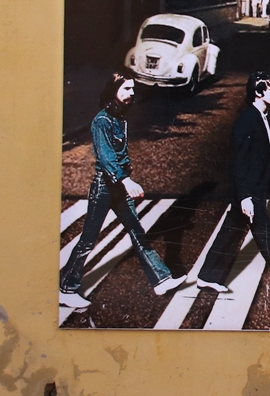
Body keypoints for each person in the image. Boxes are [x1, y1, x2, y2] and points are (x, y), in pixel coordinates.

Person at [60, 73, 187, 309]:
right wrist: (126, 181)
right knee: (89, 239)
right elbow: (107, 159)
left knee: (137, 232)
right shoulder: (102, 121)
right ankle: (66, 288)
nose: (132, 94)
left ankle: (161, 280)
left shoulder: (120, 119)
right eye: (127, 89)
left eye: (133, 89)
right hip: (105, 187)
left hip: (118, 186)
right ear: (113, 90)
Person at [194, 72, 270, 298]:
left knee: (230, 232)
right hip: (248, 190)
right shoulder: (247, 121)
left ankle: (207, 276)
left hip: (252, 188)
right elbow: (239, 162)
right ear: (258, 92)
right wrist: (245, 196)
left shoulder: (262, 118)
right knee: (266, 237)